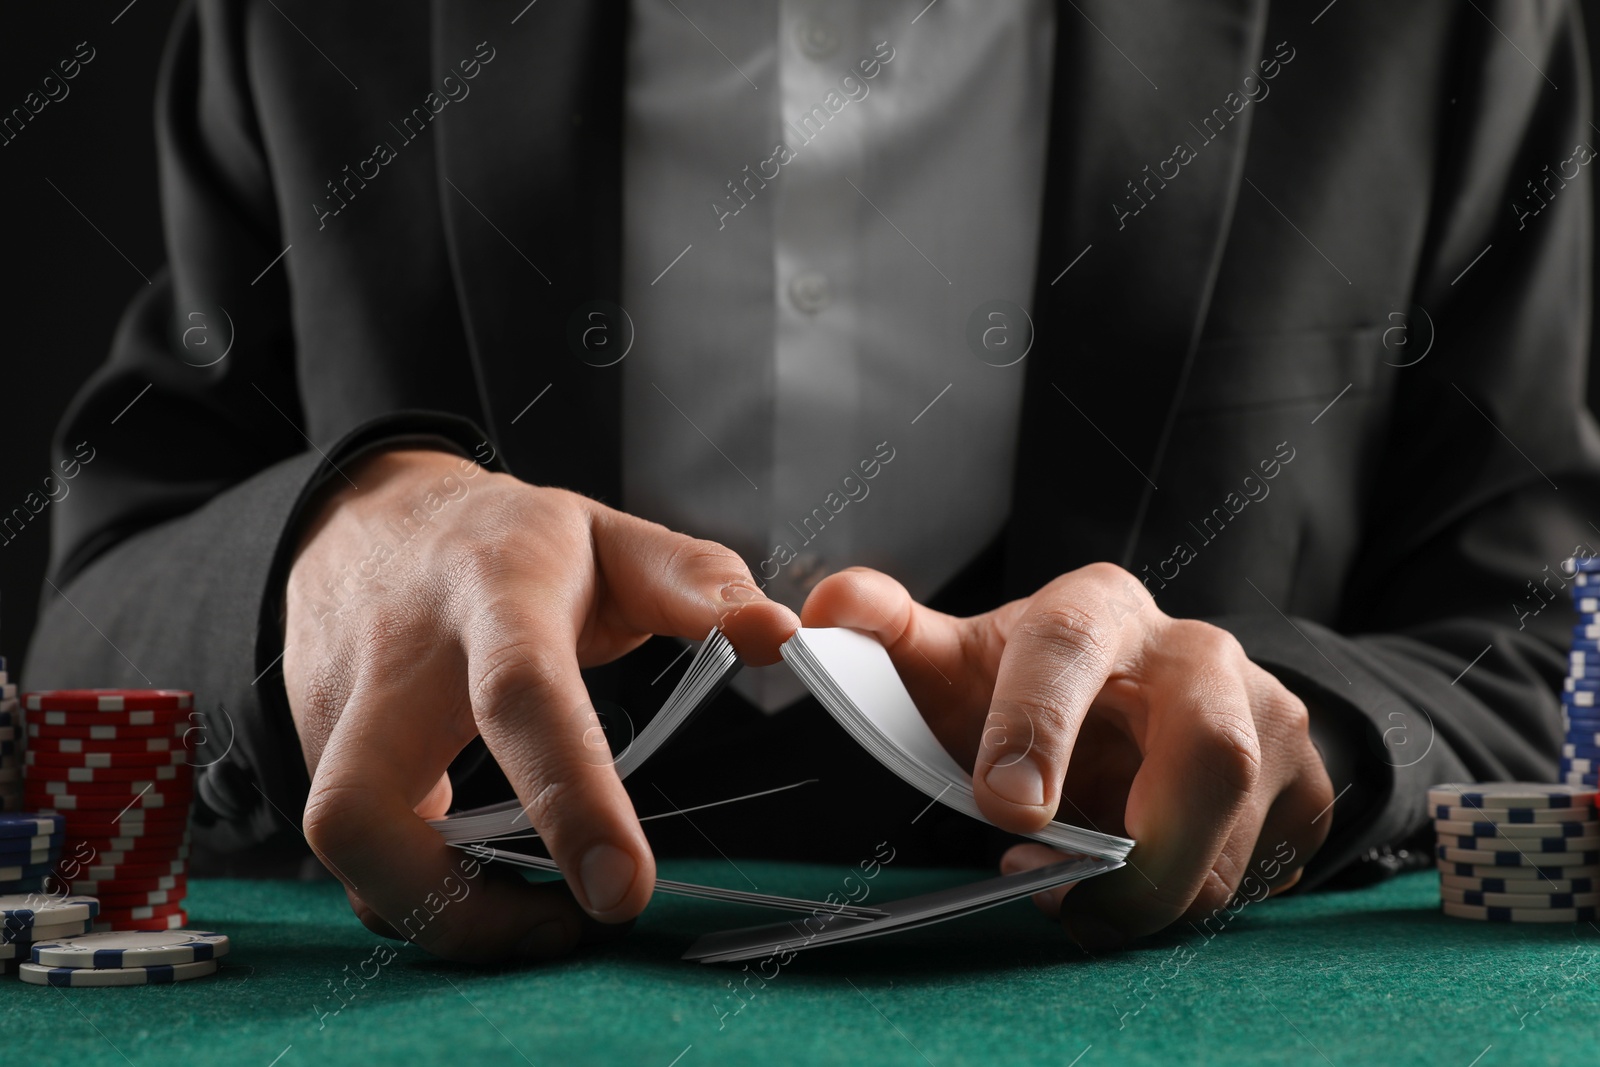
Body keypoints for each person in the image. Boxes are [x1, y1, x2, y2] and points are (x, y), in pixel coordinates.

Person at [24, 0, 1597, 962]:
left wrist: (1284, 730)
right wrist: (333, 548)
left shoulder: (1448, 23)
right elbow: (99, 625)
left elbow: (1528, 652)